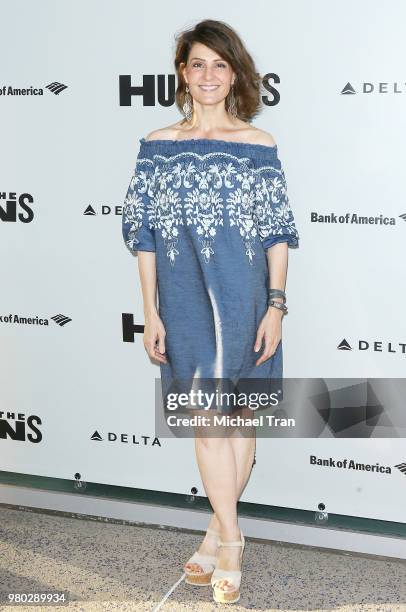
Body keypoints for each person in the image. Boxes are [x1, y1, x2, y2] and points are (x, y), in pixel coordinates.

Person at [122, 18, 299, 606]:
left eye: (220, 65)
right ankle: (232, 541)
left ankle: (216, 535)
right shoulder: (155, 144)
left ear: (235, 75)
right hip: (183, 300)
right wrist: (150, 311)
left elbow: (277, 233)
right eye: (198, 63)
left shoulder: (257, 145)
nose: (208, 75)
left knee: (238, 418)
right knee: (208, 421)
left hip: (244, 298)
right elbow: (142, 237)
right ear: (182, 72)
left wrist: (275, 306)